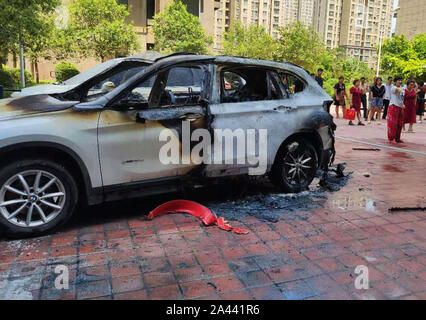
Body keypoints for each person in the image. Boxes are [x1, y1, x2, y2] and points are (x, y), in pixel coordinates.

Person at [387, 76, 405, 143]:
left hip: (400, 107)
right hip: (393, 107)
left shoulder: (402, 88)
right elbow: (398, 90)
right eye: (399, 80)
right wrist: (403, 90)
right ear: (395, 81)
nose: (400, 81)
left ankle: (397, 138)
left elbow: (401, 98)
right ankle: (391, 138)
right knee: (393, 124)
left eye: (401, 80)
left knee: (399, 124)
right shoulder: (393, 87)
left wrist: (402, 104)